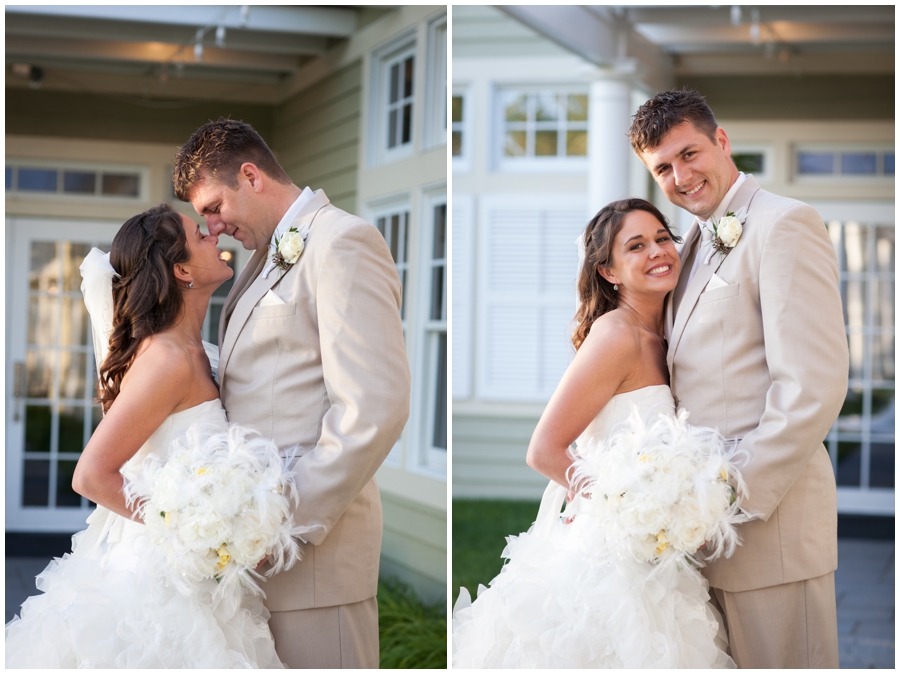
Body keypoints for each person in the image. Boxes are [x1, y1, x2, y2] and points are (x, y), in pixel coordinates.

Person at [453, 198, 739, 668]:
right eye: (637, 246)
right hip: (606, 560)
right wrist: (624, 511)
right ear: (609, 271)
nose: (658, 252)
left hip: (658, 558)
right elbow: (544, 449)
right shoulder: (617, 335)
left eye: (663, 238)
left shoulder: (662, 338)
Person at [172, 118, 410, 669]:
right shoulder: (260, 258)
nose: (210, 227)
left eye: (212, 207)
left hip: (313, 561)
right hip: (253, 556)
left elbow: (373, 408)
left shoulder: (341, 241)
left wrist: (278, 525)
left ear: (250, 176)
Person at [5, 204, 286, 667]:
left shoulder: (194, 349)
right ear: (181, 270)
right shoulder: (168, 359)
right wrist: (198, 535)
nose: (215, 234)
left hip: (194, 579)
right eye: (201, 234)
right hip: (159, 584)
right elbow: (91, 475)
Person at [628, 88, 848, 668]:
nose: (681, 176)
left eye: (690, 154)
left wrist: (724, 499)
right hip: (700, 542)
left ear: (721, 142)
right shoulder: (690, 244)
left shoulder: (783, 224)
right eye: (663, 168)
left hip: (768, 532)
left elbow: (811, 387)